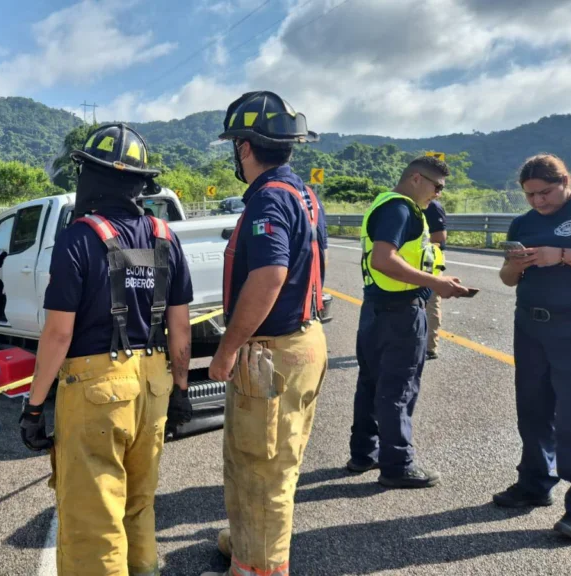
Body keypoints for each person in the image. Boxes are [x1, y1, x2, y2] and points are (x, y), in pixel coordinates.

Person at [18, 123, 195, 575]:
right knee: (139, 503)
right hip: (153, 386)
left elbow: (58, 335)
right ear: (140, 182)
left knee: (93, 519)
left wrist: (35, 407)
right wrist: (179, 391)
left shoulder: (79, 237)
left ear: (91, 177)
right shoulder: (165, 236)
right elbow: (180, 329)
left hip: (97, 392)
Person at [200, 91, 328, 576]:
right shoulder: (302, 194)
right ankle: (245, 544)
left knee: (262, 467)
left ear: (245, 148)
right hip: (302, 341)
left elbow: (270, 275)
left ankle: (259, 568)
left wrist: (226, 350)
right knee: (264, 458)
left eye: (236, 143)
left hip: (270, 353)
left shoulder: (270, 200)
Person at [494, 154, 571, 542]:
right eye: (529, 195)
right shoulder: (523, 223)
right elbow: (508, 279)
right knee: (532, 409)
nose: (538, 202)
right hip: (530, 325)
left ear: (565, 180)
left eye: (545, 192)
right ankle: (534, 483)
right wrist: (516, 264)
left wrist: (560, 255)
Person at [347, 155, 470, 489]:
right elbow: (384, 259)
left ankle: (364, 453)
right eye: (437, 187)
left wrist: (436, 278)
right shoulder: (401, 209)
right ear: (417, 178)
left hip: (376, 306)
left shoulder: (384, 204)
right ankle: (397, 464)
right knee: (398, 388)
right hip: (399, 312)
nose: (439, 194)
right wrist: (434, 283)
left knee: (371, 383)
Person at [423, 199, 447, 360]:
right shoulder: (410, 204)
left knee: (431, 302)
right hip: (413, 261)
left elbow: (440, 236)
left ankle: (430, 347)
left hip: (430, 263)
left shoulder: (432, 206)